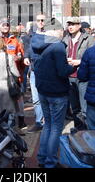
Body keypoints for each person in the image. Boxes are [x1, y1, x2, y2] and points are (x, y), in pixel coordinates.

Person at [32, 18, 74, 168]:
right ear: (57, 31)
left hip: (43, 90)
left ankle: (43, 159)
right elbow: (62, 71)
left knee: (48, 126)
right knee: (55, 127)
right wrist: (73, 67)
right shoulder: (57, 46)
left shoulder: (39, 44)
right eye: (61, 30)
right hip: (56, 92)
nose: (63, 33)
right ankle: (50, 162)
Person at [0, 18, 27, 131]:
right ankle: (3, 123)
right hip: (0, 75)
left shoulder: (15, 40)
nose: (5, 27)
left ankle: (21, 120)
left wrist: (19, 58)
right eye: (3, 25)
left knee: (18, 98)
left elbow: (22, 54)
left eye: (7, 25)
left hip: (14, 75)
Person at [63, 17, 95, 131]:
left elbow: (93, 57)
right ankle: (78, 131)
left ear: (79, 25)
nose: (70, 26)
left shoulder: (89, 39)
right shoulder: (65, 39)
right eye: (69, 24)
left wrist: (80, 62)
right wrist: (65, 60)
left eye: (73, 24)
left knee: (84, 107)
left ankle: (86, 132)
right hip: (69, 76)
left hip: (82, 76)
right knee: (74, 107)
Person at [23, 13, 47, 134]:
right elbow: (28, 48)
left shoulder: (50, 35)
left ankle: (47, 121)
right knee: (36, 98)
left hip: (47, 71)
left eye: (43, 20)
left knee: (47, 97)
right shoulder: (31, 35)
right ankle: (39, 121)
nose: (41, 22)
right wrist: (26, 56)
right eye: (39, 20)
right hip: (34, 70)